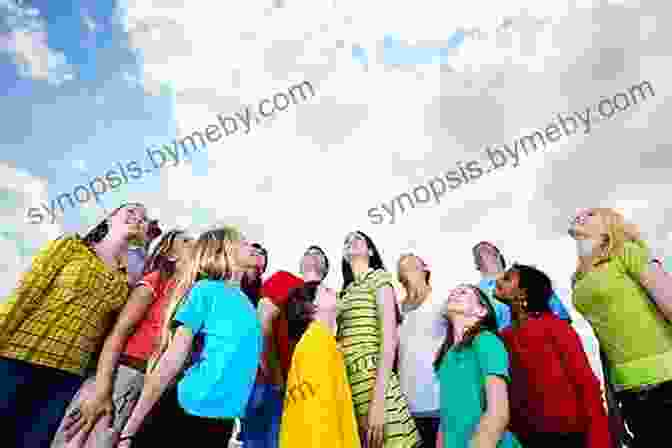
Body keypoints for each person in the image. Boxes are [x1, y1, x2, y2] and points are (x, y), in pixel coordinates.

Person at [0, 202, 149, 447]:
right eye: (131, 212)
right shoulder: (71, 247)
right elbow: (24, 294)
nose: (138, 218)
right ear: (109, 218)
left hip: (67, 377)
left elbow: (108, 335)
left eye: (143, 219)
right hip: (17, 357)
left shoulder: (126, 282)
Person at [115, 226, 263, 447]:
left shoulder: (248, 304)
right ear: (222, 251)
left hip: (222, 422)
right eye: (242, 242)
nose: (250, 246)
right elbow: (171, 360)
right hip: (187, 410)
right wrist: (130, 428)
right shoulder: (205, 290)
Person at [50, 229, 195, 447]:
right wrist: (102, 389)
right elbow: (118, 334)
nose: (194, 244)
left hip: (149, 385)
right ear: (171, 255)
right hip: (122, 375)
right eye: (186, 241)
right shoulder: (154, 282)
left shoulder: (193, 294)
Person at [569, 208, 672, 447]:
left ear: (608, 227)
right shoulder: (578, 281)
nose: (580, 215)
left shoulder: (627, 252)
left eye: (591, 214)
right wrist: (613, 405)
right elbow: (604, 342)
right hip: (629, 391)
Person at [495, 263, 610, 448]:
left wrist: (600, 439)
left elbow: (585, 383)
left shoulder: (556, 327)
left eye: (507, 278)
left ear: (523, 293)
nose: (498, 280)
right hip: (525, 436)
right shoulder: (503, 336)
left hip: (566, 435)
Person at [240, 245, 333, 448]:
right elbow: (262, 326)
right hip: (269, 385)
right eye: (308, 251)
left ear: (326, 269)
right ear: (301, 264)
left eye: (319, 253)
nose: (313, 252)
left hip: (304, 390)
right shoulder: (284, 279)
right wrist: (276, 380)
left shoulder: (331, 300)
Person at [337, 231, 421, 448]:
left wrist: (378, 404)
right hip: (352, 386)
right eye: (347, 241)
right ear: (345, 255)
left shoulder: (379, 278)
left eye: (359, 239)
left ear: (371, 251)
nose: (351, 241)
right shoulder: (344, 293)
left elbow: (389, 340)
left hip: (377, 384)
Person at [434, 284, 521, 448]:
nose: (453, 294)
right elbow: (446, 418)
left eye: (463, 292)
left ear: (482, 311)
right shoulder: (447, 355)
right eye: (452, 292)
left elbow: (498, 413)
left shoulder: (486, 340)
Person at [278, 282, 361, 448]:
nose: (335, 291)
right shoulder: (317, 345)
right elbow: (318, 415)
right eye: (327, 290)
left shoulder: (320, 342)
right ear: (312, 307)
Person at [396, 254, 446, 446]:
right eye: (402, 267)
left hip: (437, 406)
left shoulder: (442, 302)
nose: (407, 268)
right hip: (404, 410)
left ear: (425, 269)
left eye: (413, 264)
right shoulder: (396, 310)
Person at [472, 241, 571, 328]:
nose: (483, 249)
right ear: (476, 264)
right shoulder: (473, 293)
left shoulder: (527, 276)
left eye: (489, 249)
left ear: (499, 255)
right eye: (478, 253)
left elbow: (562, 317)